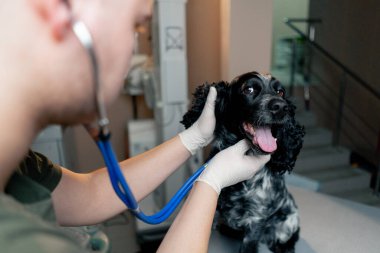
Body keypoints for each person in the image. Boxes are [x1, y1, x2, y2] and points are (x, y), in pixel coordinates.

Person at [0, 0, 270, 252]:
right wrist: (212, 181)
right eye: (134, 26)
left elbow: (88, 195)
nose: (132, 50)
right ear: (61, 11)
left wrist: (194, 138)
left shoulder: (18, 169)